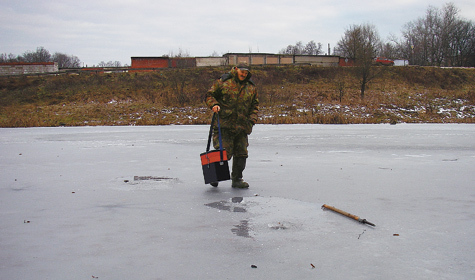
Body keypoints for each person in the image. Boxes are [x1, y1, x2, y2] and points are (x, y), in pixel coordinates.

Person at [205, 62, 259, 188]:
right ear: (236, 69)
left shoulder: (251, 87)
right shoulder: (223, 82)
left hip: (242, 126)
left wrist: (251, 120)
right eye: (242, 72)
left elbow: (255, 106)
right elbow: (209, 95)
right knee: (223, 153)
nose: (244, 74)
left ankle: (237, 179)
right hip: (224, 125)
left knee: (241, 154)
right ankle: (214, 177)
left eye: (246, 73)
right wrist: (214, 105)